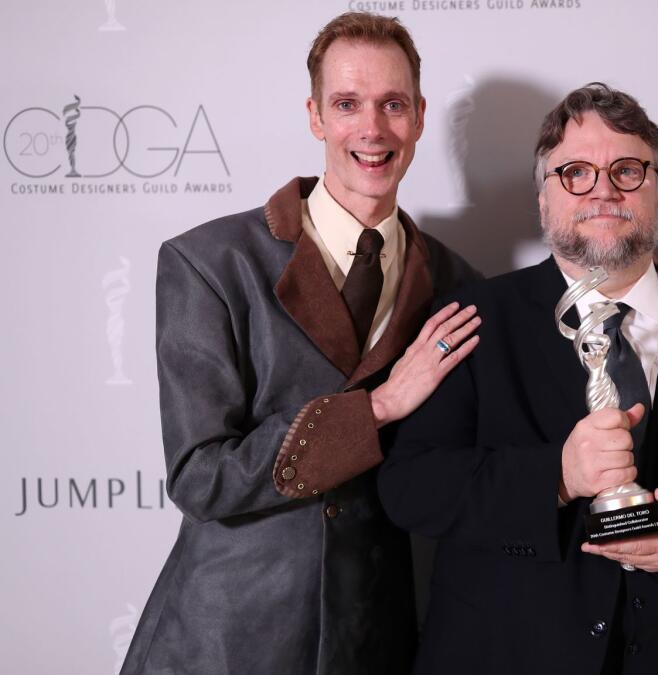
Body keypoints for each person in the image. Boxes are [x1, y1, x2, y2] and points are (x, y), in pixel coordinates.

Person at [377, 82, 658, 675]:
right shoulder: (471, 324)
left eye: (627, 170)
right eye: (575, 173)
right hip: (509, 652)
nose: (603, 191)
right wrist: (556, 476)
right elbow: (412, 486)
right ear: (543, 199)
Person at [121, 13, 480, 674]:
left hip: (380, 639)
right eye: (347, 104)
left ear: (421, 116)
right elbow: (200, 474)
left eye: (392, 104)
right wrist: (374, 408)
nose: (371, 129)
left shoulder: (459, 284)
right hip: (230, 640)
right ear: (316, 116)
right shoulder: (210, 263)